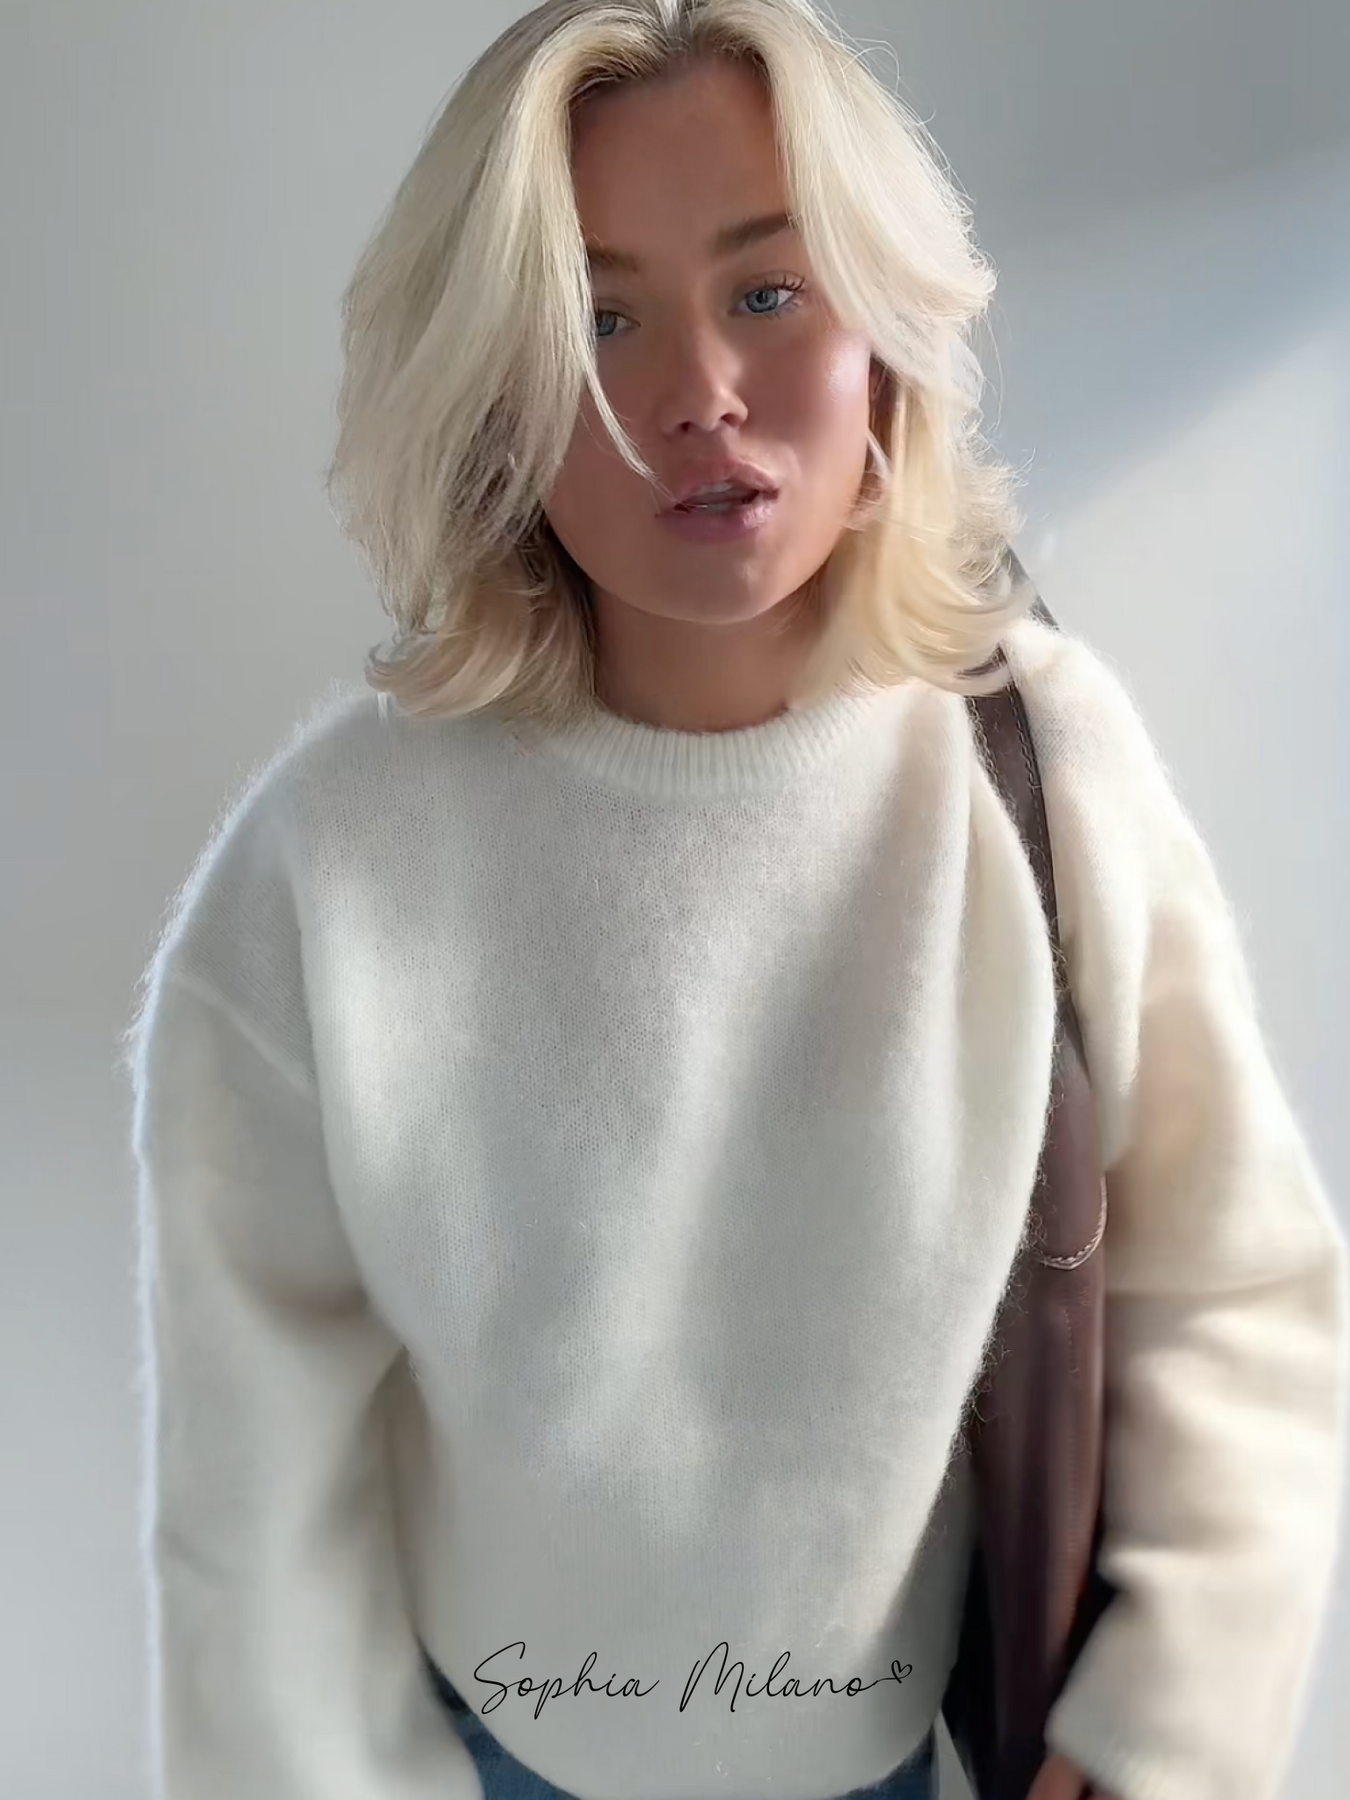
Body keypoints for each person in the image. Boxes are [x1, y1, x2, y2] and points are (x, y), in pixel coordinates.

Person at [121, 2, 1348, 1798]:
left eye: (767, 291)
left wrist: (1160, 1732)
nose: (696, 389)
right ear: (494, 387)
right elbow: (251, 1475)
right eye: (597, 320)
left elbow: (1229, 1287)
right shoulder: (329, 865)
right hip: (484, 1755)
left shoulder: (1037, 773)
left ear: (885, 332)